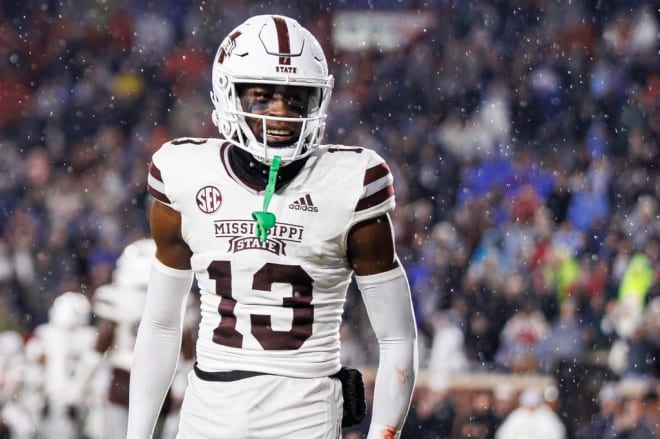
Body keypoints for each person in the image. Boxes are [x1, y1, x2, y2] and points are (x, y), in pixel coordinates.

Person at [127, 14, 418, 439]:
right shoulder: (185, 174)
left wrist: (383, 434)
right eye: (262, 98)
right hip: (207, 417)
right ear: (229, 93)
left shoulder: (351, 183)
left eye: (295, 99)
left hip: (305, 418)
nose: (280, 113)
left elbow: (397, 338)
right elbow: (159, 325)